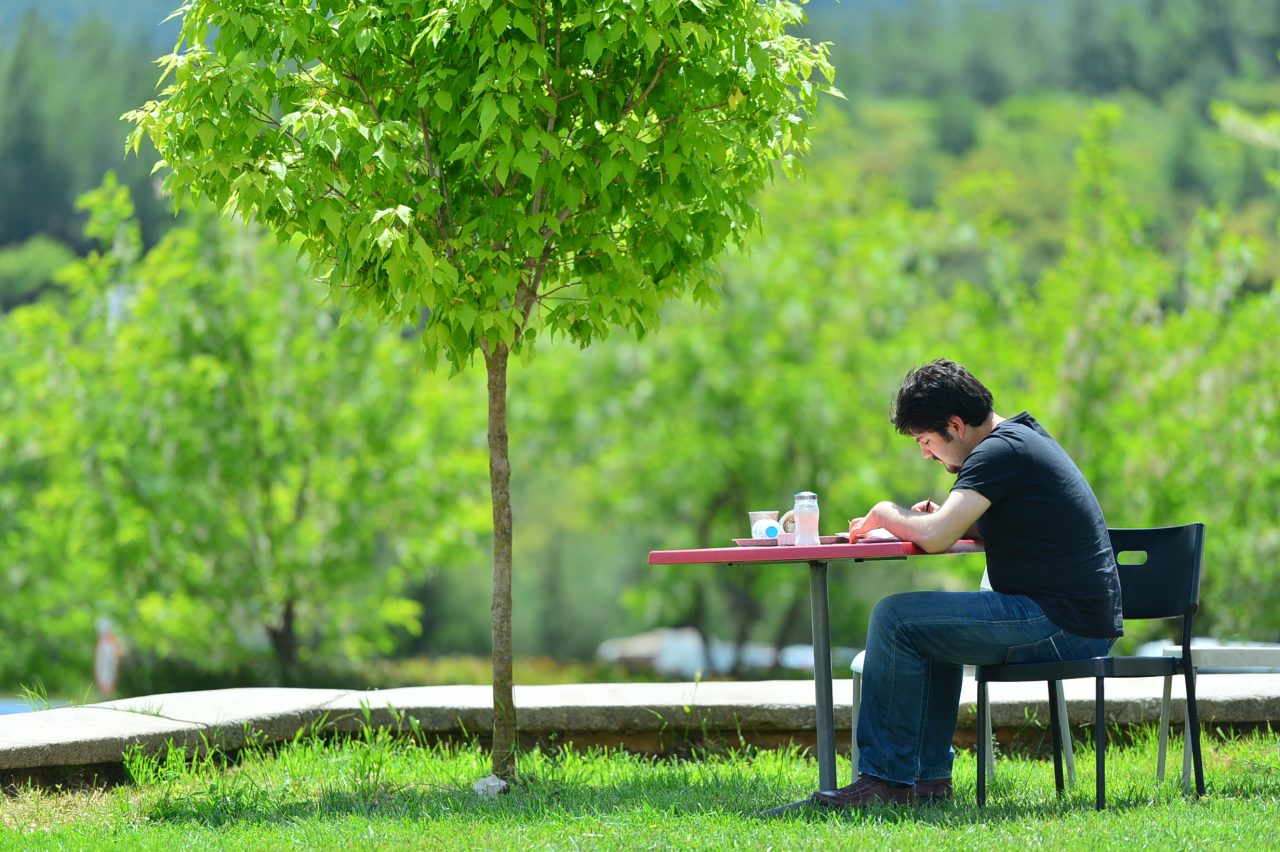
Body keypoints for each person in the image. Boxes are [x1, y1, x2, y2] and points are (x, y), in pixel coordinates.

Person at [813, 359, 1122, 809]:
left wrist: (885, 513)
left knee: (896, 618)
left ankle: (885, 781)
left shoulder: (998, 452)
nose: (924, 453)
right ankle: (926, 781)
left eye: (925, 440)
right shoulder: (1020, 438)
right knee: (926, 627)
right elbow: (979, 528)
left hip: (1060, 623)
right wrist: (932, 518)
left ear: (956, 425)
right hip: (1071, 619)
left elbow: (938, 537)